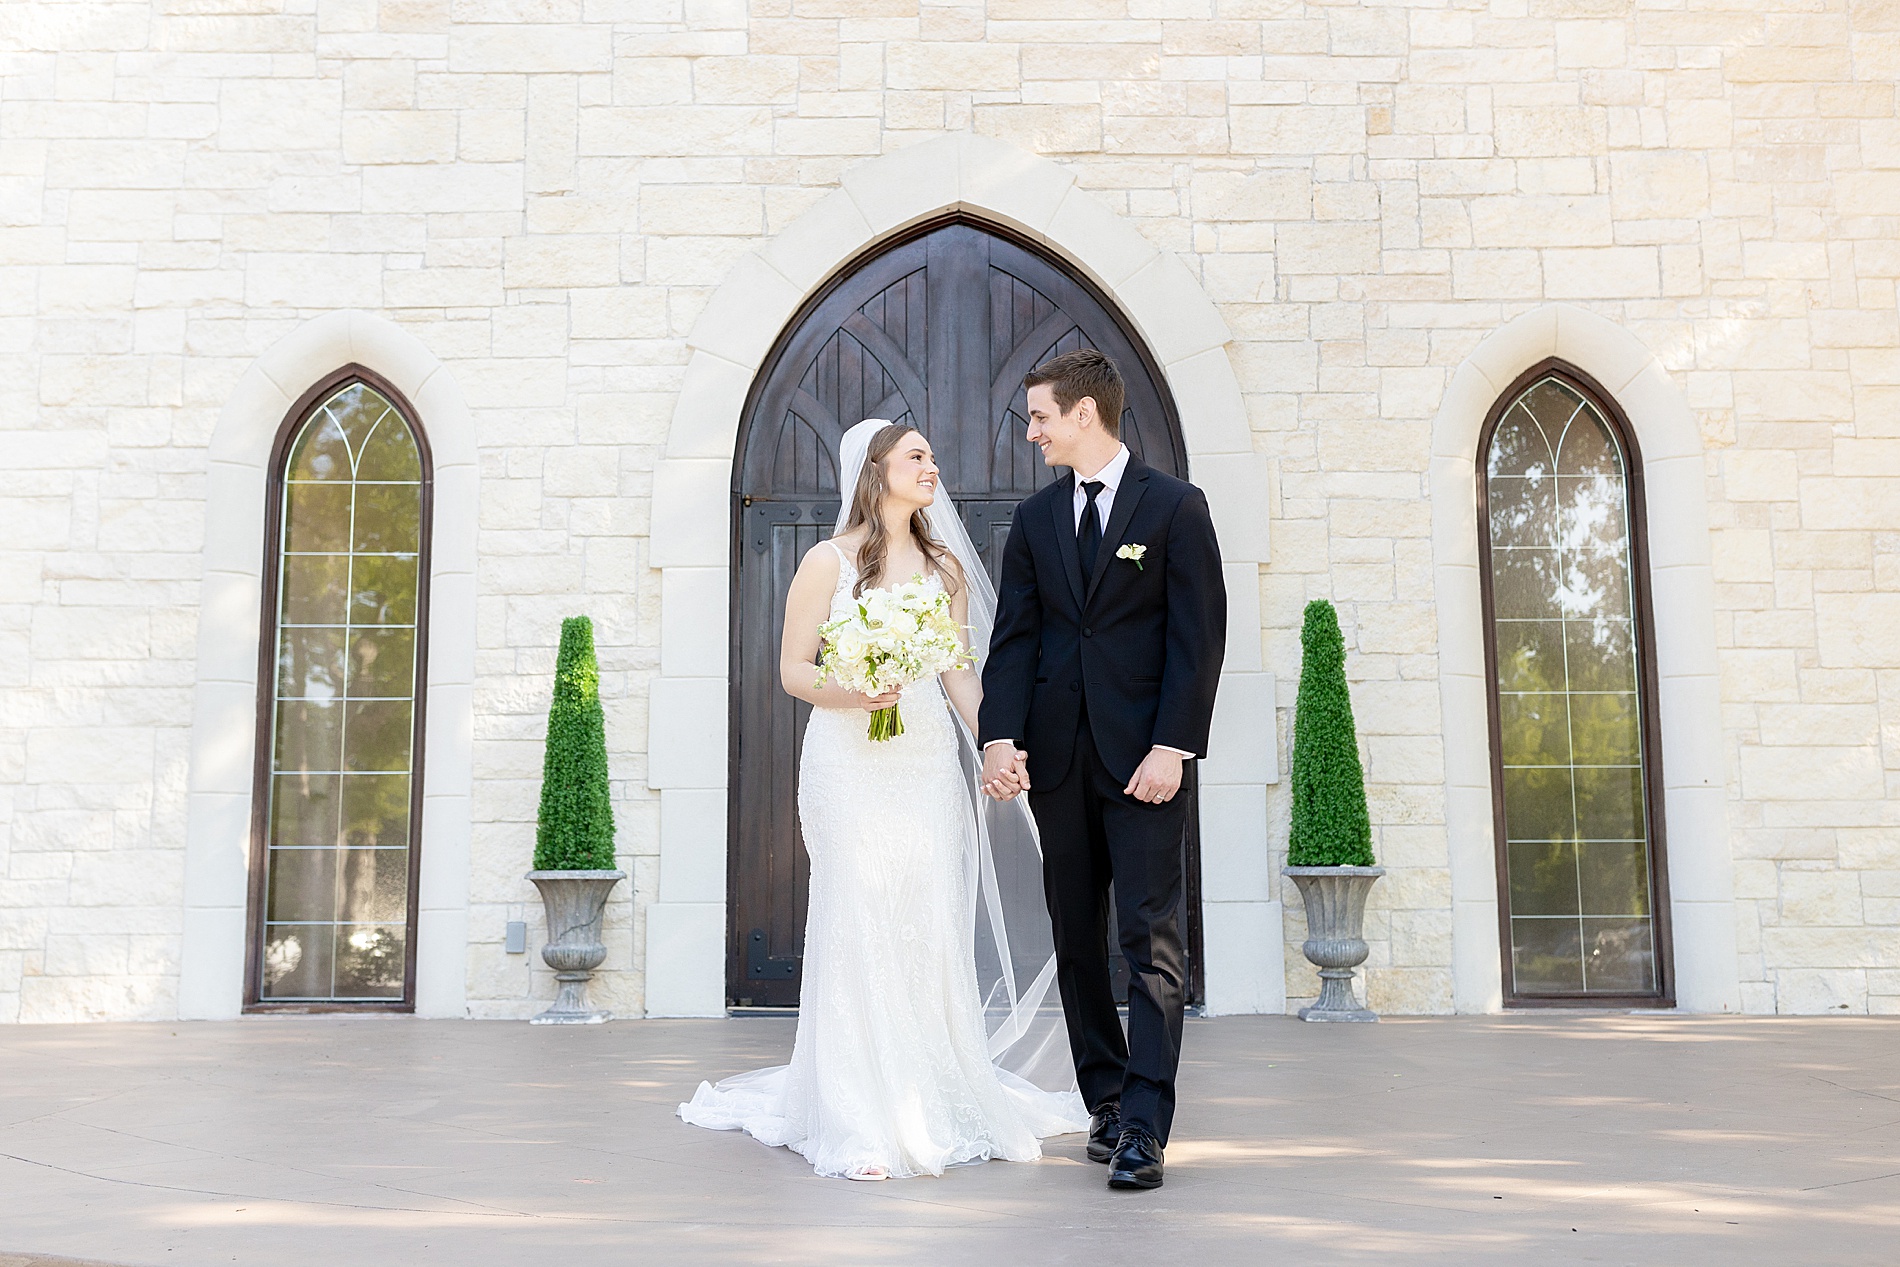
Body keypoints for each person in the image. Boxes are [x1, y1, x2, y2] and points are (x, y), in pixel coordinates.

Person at [678, 418, 1087, 1181]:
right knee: (859, 910)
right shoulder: (824, 562)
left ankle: (929, 1093)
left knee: (926, 913)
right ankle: (859, 1112)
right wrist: (856, 691)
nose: (934, 466)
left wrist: (994, 742)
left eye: (932, 454)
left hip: (926, 755)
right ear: (876, 469)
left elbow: (961, 672)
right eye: (917, 455)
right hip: (847, 758)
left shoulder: (946, 569)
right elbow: (794, 670)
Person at [978, 348, 1226, 1191]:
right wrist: (999, 736)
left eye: (1042, 415)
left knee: (1151, 942)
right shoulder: (1036, 519)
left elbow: (1199, 638)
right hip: (1057, 761)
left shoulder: (1176, 508)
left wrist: (1174, 746)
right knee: (1077, 939)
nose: (1033, 430)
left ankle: (1148, 1127)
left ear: (1086, 413)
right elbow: (1014, 638)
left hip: (1145, 761)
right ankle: (1108, 1101)